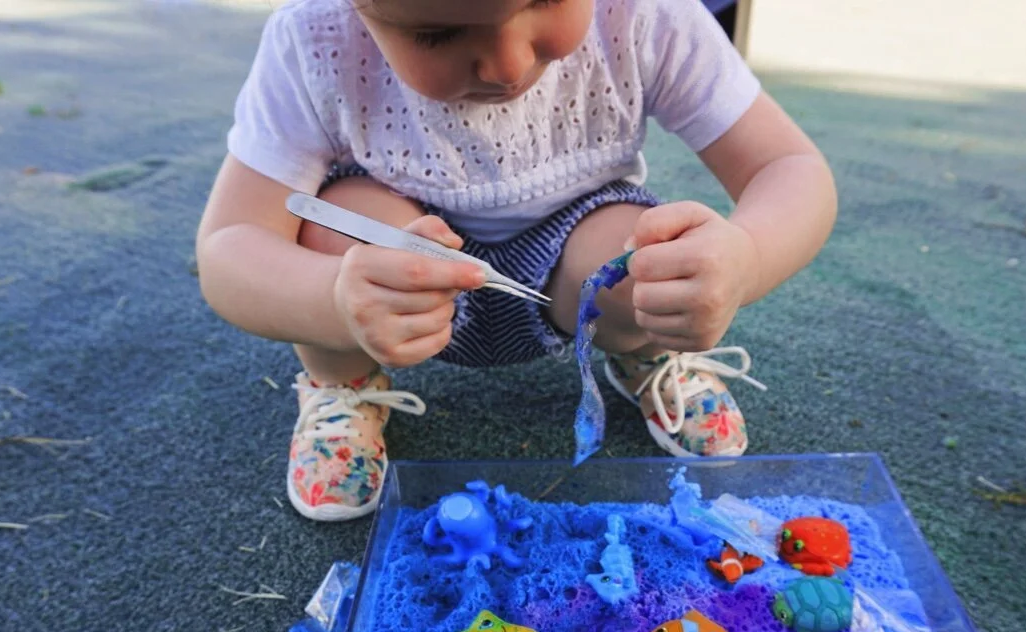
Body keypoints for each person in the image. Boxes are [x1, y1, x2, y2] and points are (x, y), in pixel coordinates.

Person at [196, 0, 837, 521]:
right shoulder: (314, 40)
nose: (508, 65)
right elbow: (230, 244)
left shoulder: (644, 14)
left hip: (576, 255)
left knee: (643, 260)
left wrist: (745, 258)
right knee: (334, 231)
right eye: (438, 32)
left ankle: (646, 347)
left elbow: (789, 167)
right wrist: (334, 299)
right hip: (398, 260)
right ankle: (344, 384)